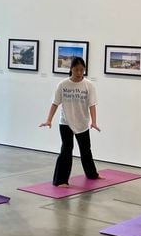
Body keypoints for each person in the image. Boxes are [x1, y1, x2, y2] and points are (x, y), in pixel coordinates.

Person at [39, 57, 101, 187]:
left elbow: (92, 105)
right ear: (71, 69)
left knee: (86, 150)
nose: (79, 73)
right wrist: (49, 120)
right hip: (65, 122)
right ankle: (60, 180)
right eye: (76, 70)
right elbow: (55, 103)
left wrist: (93, 122)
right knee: (66, 150)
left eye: (81, 70)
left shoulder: (88, 85)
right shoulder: (63, 85)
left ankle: (92, 174)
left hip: (82, 122)